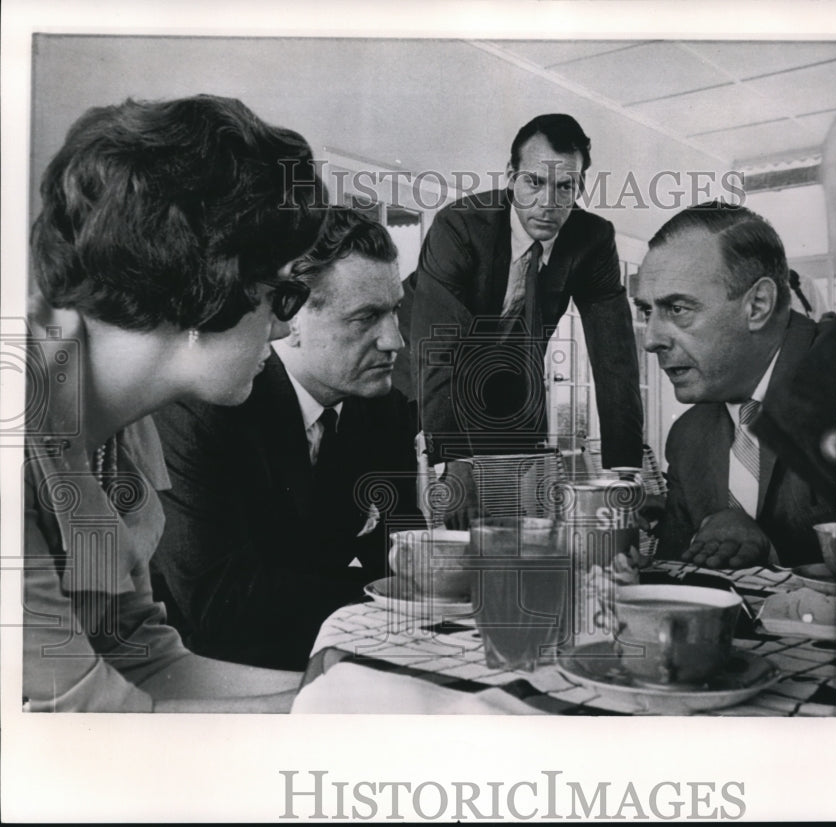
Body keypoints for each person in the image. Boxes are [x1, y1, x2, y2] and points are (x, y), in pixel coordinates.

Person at [22, 94, 326, 712]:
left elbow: (145, 659)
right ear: (206, 288)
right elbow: (96, 720)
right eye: (284, 294)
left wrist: (350, 698)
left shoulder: (122, 433)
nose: (281, 329)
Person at [151, 207, 424, 670]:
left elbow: (403, 554)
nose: (395, 340)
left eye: (394, 310)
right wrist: (381, 598)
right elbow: (222, 607)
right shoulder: (205, 409)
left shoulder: (384, 409)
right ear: (290, 316)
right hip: (205, 675)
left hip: (327, 654)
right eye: (366, 318)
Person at [397, 114, 643, 522]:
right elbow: (438, 347)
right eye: (534, 182)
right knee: (431, 501)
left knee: (518, 507)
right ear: (511, 177)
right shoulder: (459, 226)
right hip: (419, 366)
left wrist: (627, 473)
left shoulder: (592, 238)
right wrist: (455, 465)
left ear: (579, 187)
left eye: (564, 186)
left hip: (510, 368)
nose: (548, 203)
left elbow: (614, 355)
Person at [635, 201, 836, 570]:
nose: (650, 340)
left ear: (758, 305)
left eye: (678, 308)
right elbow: (679, 586)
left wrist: (770, 549)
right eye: (647, 311)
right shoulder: (688, 436)